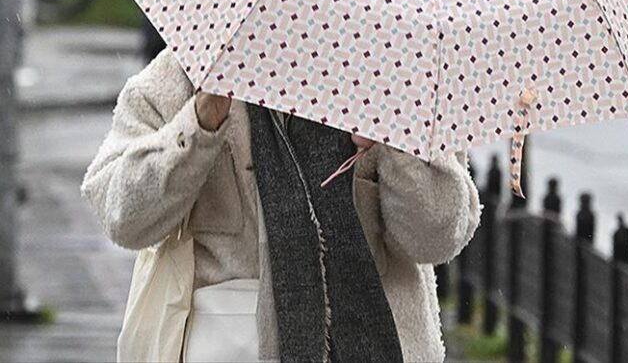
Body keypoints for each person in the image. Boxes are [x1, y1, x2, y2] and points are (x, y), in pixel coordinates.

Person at [82, 50, 481, 362]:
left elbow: (436, 239)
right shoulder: (181, 77)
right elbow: (122, 216)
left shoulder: (397, 74)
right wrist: (200, 122)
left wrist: (397, 136)